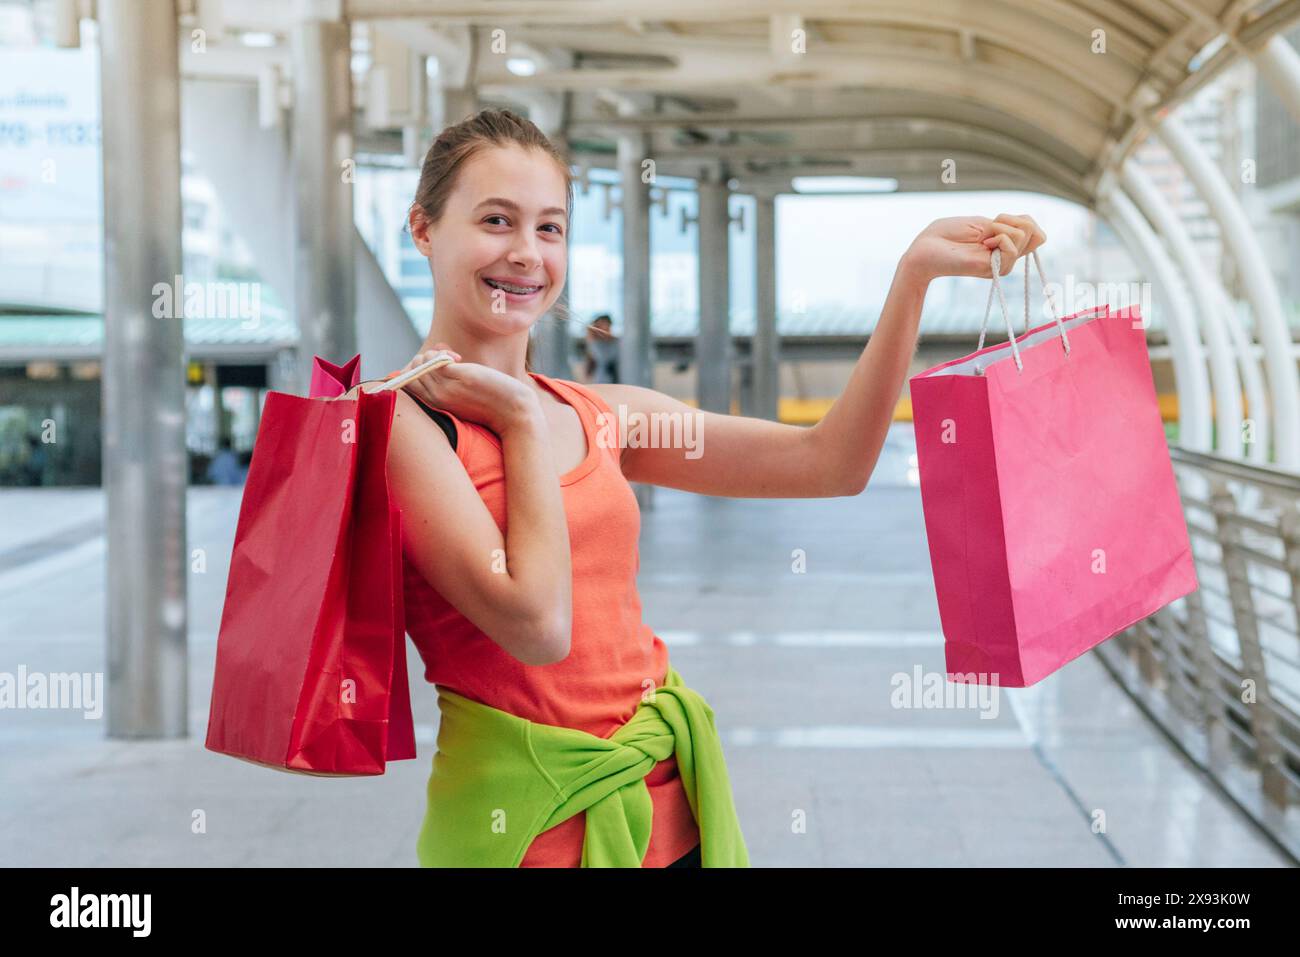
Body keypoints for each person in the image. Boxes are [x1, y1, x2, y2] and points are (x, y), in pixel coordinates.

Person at [343, 107, 1046, 867]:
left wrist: (912, 277)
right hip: (524, 829)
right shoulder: (398, 423)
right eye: (495, 220)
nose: (525, 253)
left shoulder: (598, 412)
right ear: (422, 228)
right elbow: (538, 627)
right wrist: (515, 417)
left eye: (550, 229)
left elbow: (829, 463)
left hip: (674, 816)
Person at [583, 314, 619, 383]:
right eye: (600, 325)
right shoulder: (595, 343)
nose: (603, 328)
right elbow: (601, 358)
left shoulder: (616, 341)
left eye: (606, 325)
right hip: (601, 379)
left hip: (616, 378)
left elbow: (608, 359)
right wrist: (591, 335)